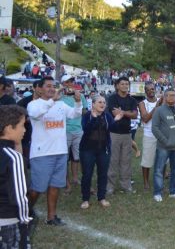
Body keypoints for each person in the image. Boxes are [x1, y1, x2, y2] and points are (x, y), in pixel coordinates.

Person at [27, 76, 83, 225]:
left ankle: (51, 217)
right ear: (39, 89)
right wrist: (52, 101)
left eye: (54, 86)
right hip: (41, 153)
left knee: (55, 185)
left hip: (60, 151)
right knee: (37, 188)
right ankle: (25, 212)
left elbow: (75, 114)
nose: (52, 89)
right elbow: (35, 114)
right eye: (48, 86)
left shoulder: (61, 105)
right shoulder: (34, 104)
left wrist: (78, 102)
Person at [80, 95, 122, 209]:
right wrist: (93, 118)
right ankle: (85, 199)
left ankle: (101, 197)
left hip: (103, 149)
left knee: (103, 174)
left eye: (104, 102)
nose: (102, 104)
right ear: (93, 104)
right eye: (99, 102)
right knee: (87, 175)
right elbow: (86, 130)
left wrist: (116, 120)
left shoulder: (107, 116)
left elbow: (112, 129)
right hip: (87, 150)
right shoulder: (87, 115)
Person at [0, 105, 32, 248]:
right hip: (9, 222)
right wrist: (25, 220)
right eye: (21, 125)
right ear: (9, 128)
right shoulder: (13, 158)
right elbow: (19, 196)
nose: (24, 130)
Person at [151, 89, 175, 202]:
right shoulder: (159, 110)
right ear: (165, 97)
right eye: (169, 95)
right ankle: (157, 192)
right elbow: (154, 128)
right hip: (163, 146)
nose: (172, 97)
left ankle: (174, 191)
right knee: (159, 169)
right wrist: (165, 141)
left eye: (174, 95)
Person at [106, 76, 138, 194]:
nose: (125, 86)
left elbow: (135, 115)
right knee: (113, 160)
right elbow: (115, 113)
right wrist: (128, 113)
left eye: (126, 84)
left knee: (126, 160)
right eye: (122, 84)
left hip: (127, 133)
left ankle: (126, 185)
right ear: (117, 85)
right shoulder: (112, 98)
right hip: (114, 132)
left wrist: (123, 112)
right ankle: (110, 186)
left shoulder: (132, 100)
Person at [60, 75, 84, 194]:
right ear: (63, 84)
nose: (70, 84)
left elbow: (84, 111)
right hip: (64, 131)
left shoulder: (80, 95)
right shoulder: (59, 97)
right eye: (67, 82)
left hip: (78, 130)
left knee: (76, 157)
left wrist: (78, 100)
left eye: (71, 81)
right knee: (64, 158)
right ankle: (66, 182)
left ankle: (75, 178)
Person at [138, 82, 162, 191]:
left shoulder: (161, 101)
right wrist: (156, 107)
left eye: (152, 89)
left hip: (161, 134)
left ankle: (159, 181)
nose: (151, 91)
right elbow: (146, 118)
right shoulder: (142, 103)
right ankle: (146, 183)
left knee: (162, 160)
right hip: (149, 134)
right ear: (145, 92)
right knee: (146, 161)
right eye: (148, 90)